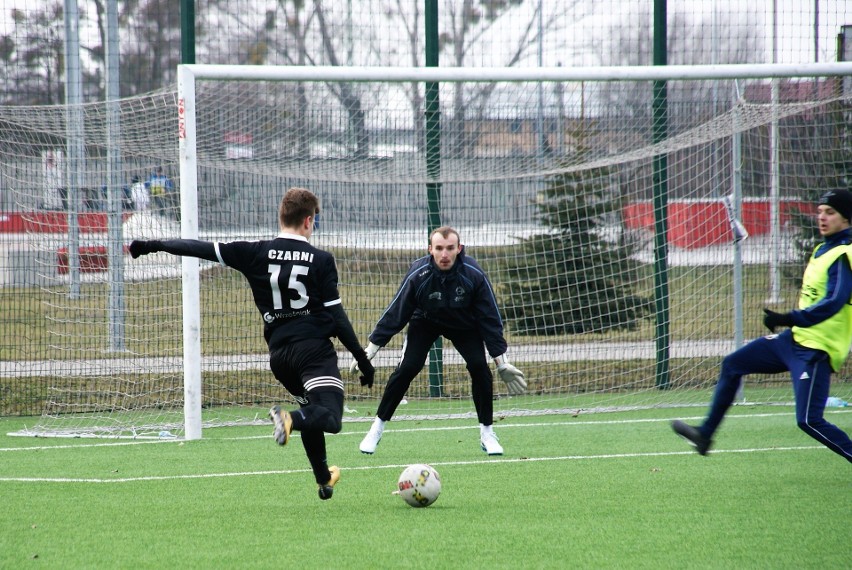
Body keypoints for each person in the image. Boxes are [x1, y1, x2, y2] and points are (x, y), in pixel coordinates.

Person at [128, 187, 376, 498]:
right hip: (312, 351)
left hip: (280, 357)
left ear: (281, 216)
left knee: (310, 410)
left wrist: (153, 245)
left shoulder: (255, 252)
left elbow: (199, 248)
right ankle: (285, 419)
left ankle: (323, 477)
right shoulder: (321, 259)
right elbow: (336, 316)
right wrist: (362, 359)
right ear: (309, 221)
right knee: (329, 416)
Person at [672, 189, 852, 464]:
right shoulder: (822, 249)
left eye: (830, 213)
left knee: (808, 421)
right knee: (733, 364)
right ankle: (704, 435)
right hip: (793, 341)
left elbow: (832, 304)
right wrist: (789, 324)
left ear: (847, 219)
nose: (822, 217)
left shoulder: (844, 253)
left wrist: (788, 317)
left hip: (816, 351)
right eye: (819, 212)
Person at [351, 226, 527, 456]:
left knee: (479, 367)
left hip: (464, 324)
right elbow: (397, 312)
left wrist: (501, 361)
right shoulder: (419, 274)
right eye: (439, 248)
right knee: (408, 368)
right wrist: (370, 349)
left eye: (450, 248)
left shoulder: (474, 275)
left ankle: (487, 433)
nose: (445, 254)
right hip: (425, 321)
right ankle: (377, 428)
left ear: (459, 249)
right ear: (430, 250)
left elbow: (490, 320)